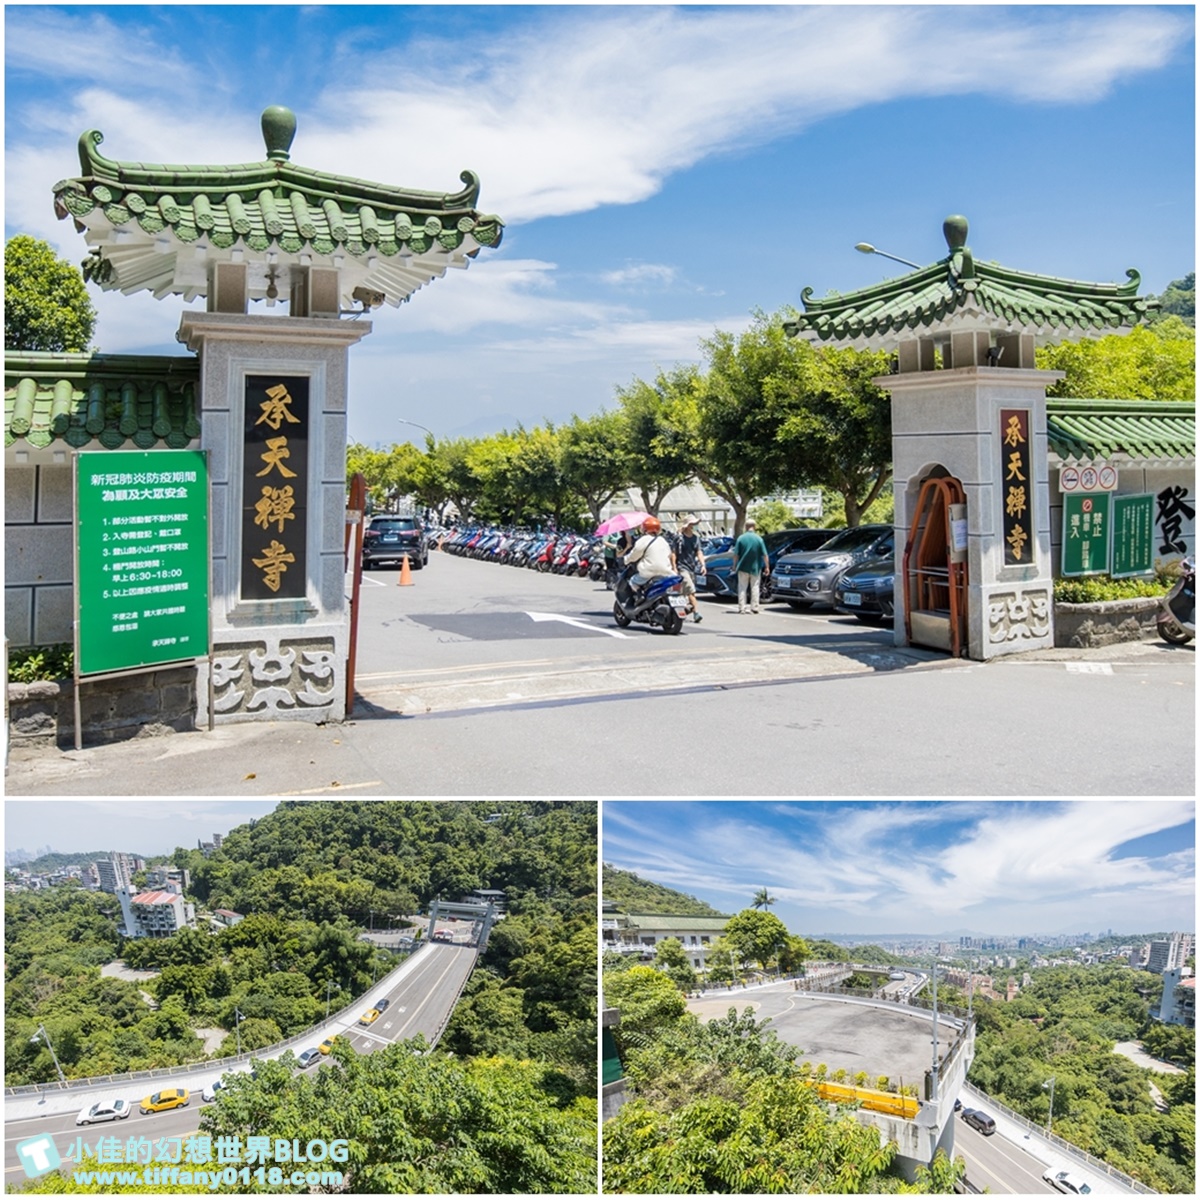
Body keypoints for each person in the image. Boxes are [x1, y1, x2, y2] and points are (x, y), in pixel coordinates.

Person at [670, 514, 706, 623]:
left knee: (685, 593)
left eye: (696, 524)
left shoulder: (696, 538)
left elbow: (699, 552)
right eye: (693, 524)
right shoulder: (679, 538)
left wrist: (703, 565)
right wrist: (674, 567)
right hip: (682, 567)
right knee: (691, 590)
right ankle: (696, 613)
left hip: (692, 568)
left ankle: (684, 610)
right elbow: (673, 553)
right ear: (688, 525)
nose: (695, 526)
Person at [624, 516, 675, 589]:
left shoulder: (643, 540)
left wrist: (626, 560)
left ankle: (640, 596)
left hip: (648, 573)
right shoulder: (663, 541)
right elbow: (669, 554)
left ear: (644, 528)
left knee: (632, 581)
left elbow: (634, 555)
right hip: (665, 572)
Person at [733, 518, 770, 613]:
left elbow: (736, 554)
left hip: (742, 567)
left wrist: (734, 565)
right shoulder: (759, 539)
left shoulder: (741, 539)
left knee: (742, 587)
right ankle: (754, 607)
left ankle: (742, 608)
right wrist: (767, 566)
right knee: (755, 587)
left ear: (746, 527)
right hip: (755, 568)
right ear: (755, 527)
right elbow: (765, 555)